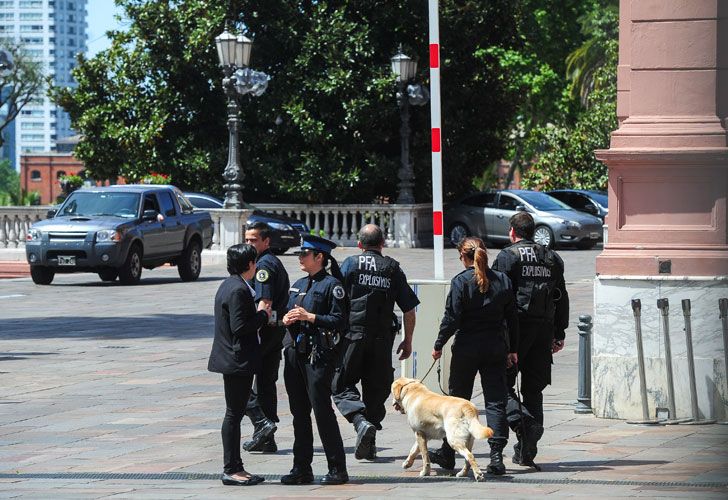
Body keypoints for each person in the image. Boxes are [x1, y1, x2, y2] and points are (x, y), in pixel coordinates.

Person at [428, 237, 519, 475]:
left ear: (464, 256)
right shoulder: (503, 280)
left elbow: (452, 317)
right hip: (494, 346)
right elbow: (512, 318)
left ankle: (448, 454)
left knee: (457, 402)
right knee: (496, 401)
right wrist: (512, 349)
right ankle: (497, 456)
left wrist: (439, 344)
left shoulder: (461, 282)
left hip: (467, 347)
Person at [332, 224, 419, 460]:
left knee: (341, 385)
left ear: (359, 245)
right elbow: (410, 310)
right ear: (383, 244)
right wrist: (408, 341)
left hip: (352, 337)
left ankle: (360, 423)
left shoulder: (350, 264)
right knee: (376, 391)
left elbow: (335, 297)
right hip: (382, 340)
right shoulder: (392, 268)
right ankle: (368, 439)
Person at [491, 211, 569, 467]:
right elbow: (562, 296)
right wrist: (560, 332)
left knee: (501, 384)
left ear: (513, 232)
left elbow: (496, 295)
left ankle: (525, 424)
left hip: (515, 330)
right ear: (533, 231)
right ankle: (527, 452)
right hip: (543, 330)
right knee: (533, 390)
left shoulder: (507, 256)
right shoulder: (551, 257)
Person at [280, 234, 349, 486]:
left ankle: (337, 468)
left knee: (321, 411)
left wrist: (311, 317)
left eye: (304, 254)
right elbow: (286, 312)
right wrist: (287, 319)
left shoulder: (332, 286)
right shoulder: (298, 283)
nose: (300, 258)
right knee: (299, 413)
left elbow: (340, 321)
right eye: (300, 254)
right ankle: (301, 468)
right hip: (295, 355)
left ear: (319, 257)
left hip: (318, 356)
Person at [207, 244, 272, 486]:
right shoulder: (238, 290)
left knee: (234, 414)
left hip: (233, 359)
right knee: (233, 415)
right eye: (254, 262)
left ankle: (236, 466)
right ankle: (231, 468)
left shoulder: (230, 285)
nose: (256, 266)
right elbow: (240, 327)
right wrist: (263, 315)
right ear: (249, 264)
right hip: (236, 360)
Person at [242, 222, 290, 453]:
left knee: (239, 379)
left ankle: (262, 424)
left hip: (265, 331)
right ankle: (267, 438)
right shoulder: (272, 262)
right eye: (247, 240)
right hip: (275, 330)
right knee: (265, 384)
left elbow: (265, 302)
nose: (249, 244)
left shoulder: (263, 266)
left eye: (253, 240)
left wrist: (254, 328)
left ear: (266, 241)